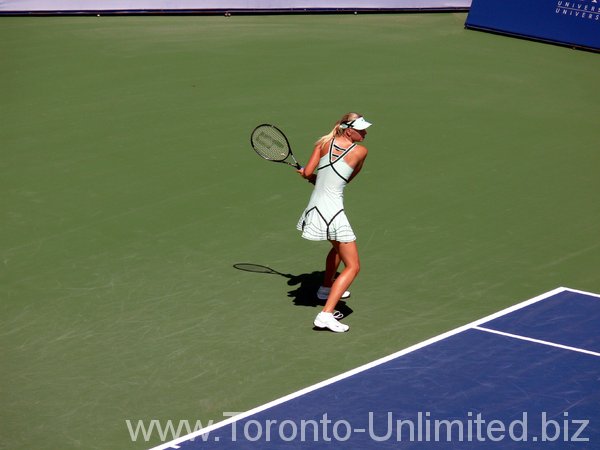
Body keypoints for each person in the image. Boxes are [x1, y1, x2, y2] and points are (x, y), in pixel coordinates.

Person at [296, 112, 371, 332]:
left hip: (315, 208)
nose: (365, 133)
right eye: (361, 129)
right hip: (333, 212)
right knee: (353, 266)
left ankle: (326, 287)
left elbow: (309, 173)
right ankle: (325, 315)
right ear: (349, 130)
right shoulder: (360, 152)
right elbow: (345, 180)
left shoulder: (323, 143)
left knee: (338, 248)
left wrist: (308, 176)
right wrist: (316, 179)